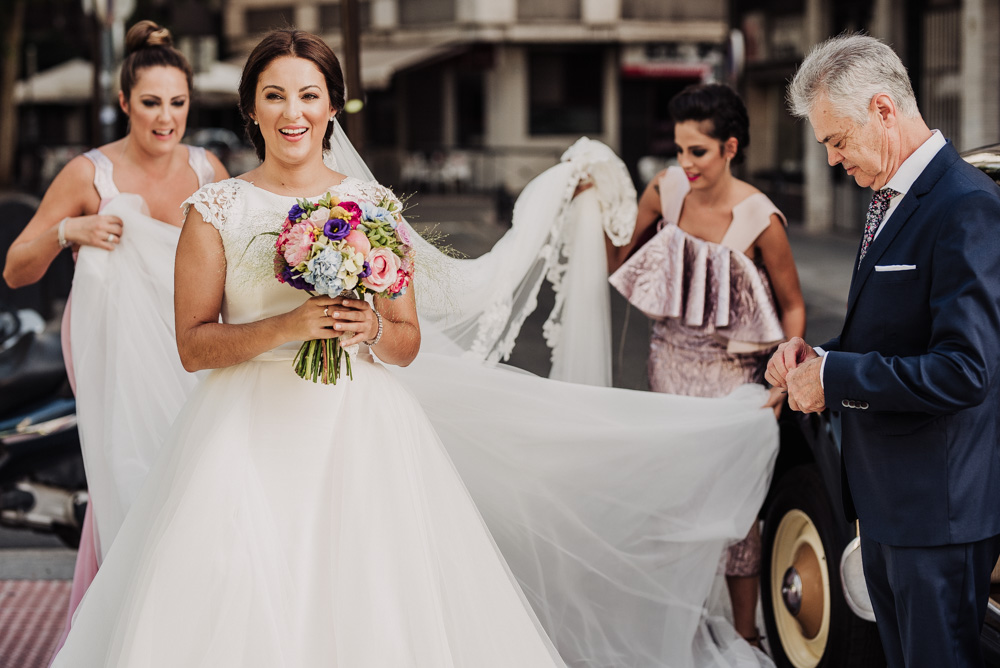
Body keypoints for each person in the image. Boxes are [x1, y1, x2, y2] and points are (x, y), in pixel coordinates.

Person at [53, 29, 780, 668]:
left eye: (309, 95)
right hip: (241, 434)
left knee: (369, 596)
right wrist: (289, 327)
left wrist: (367, 328)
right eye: (274, 96)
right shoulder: (216, 209)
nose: (292, 112)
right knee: (238, 585)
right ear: (251, 109)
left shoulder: (374, 209)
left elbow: (405, 341)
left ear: (332, 107)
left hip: (356, 432)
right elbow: (193, 345)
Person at [766, 34, 1000, 668]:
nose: (835, 160)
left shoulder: (967, 208)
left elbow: (964, 370)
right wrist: (815, 357)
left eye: (837, 141)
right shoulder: (890, 198)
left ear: (883, 109)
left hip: (939, 517)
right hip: (890, 507)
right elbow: (893, 339)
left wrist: (834, 377)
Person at [2, 18, 227, 649]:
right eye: (151, 103)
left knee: (197, 490)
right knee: (130, 484)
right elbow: (18, 268)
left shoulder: (211, 172)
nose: (165, 119)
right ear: (124, 102)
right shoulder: (88, 175)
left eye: (177, 104)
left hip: (195, 358)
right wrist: (67, 233)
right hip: (117, 364)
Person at [607, 83, 805, 645]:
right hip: (665, 373)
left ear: (731, 148)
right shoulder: (665, 191)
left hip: (734, 388)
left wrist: (785, 379)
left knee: (736, 517)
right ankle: (680, 630)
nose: (684, 163)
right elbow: (621, 262)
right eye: (678, 149)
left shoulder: (761, 219)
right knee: (674, 510)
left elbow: (792, 305)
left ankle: (747, 638)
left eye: (698, 151)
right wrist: (598, 209)